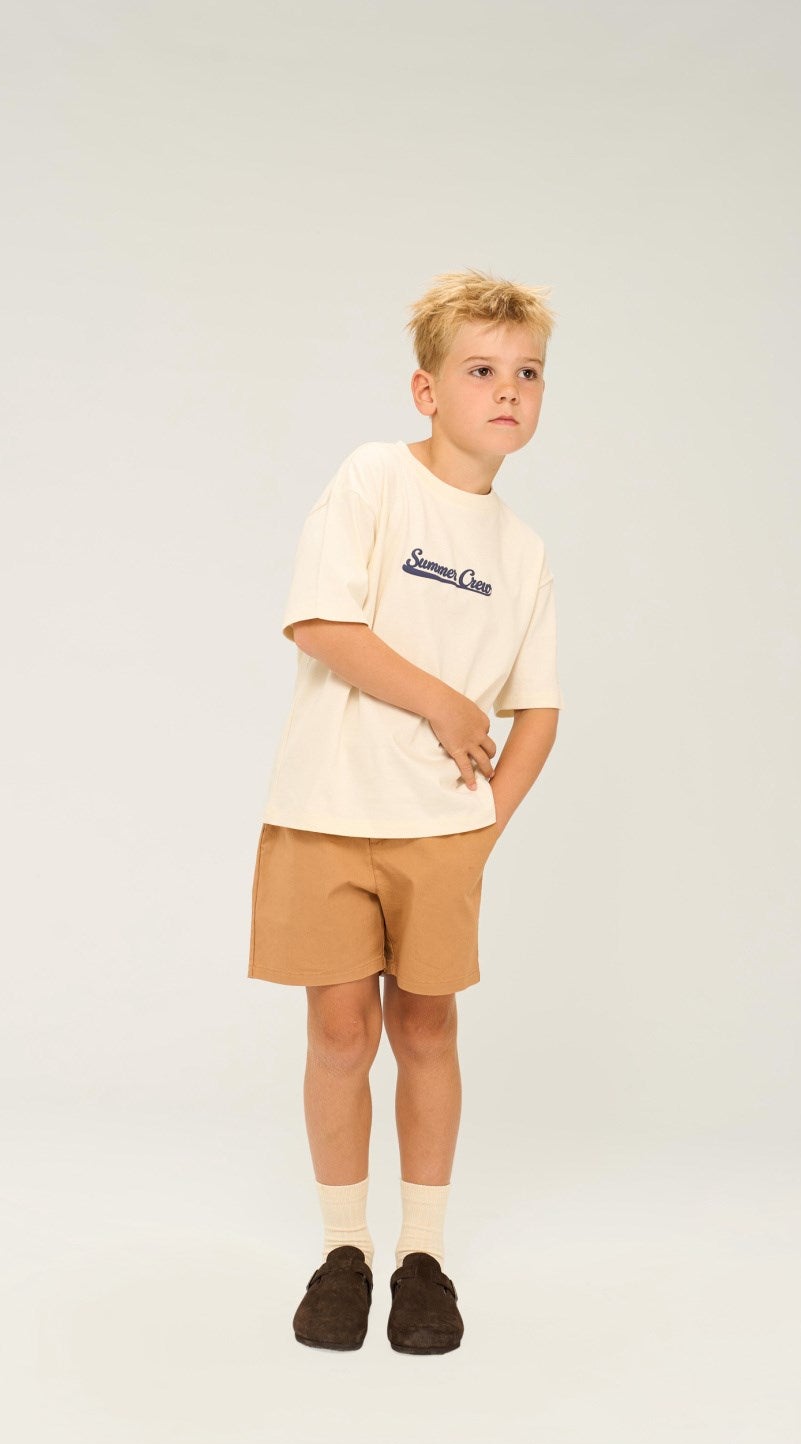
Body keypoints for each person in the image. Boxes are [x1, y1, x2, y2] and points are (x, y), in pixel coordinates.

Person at [247, 268, 564, 1354]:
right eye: (481, 370)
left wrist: (483, 831)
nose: (507, 390)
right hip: (328, 810)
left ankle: (422, 1256)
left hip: (441, 835)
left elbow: (539, 712)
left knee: (427, 1027)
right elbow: (321, 623)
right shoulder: (375, 478)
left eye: (528, 372)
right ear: (427, 391)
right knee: (341, 1030)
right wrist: (442, 700)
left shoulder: (523, 552)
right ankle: (345, 1250)